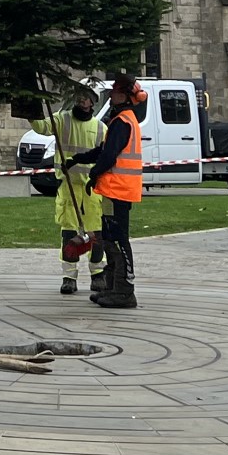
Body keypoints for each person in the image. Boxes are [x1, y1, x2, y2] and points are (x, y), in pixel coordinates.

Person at [28, 85, 104, 296]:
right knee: (69, 232)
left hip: (92, 189)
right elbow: (41, 127)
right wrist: (30, 112)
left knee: (96, 232)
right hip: (68, 187)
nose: (81, 101)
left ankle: (98, 275)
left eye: (86, 98)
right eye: (78, 98)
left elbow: (104, 156)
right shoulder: (62, 119)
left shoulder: (100, 128)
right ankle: (69, 277)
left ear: (92, 102)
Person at [78, 74, 146, 309]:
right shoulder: (123, 120)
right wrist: (80, 159)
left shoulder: (122, 121)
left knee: (118, 239)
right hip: (115, 190)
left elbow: (109, 155)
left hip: (119, 190)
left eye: (116, 91)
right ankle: (112, 286)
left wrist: (94, 173)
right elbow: (104, 150)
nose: (112, 94)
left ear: (125, 96)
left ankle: (125, 290)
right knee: (109, 238)